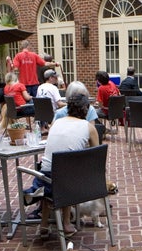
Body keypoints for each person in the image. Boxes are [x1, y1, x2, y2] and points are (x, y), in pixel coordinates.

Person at [25, 84, 100, 239]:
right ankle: (66, 223)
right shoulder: (88, 127)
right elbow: (96, 158)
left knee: (54, 172)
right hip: (68, 184)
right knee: (68, 174)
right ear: (86, 110)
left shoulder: (56, 123)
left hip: (43, 179)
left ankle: (44, 224)